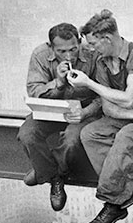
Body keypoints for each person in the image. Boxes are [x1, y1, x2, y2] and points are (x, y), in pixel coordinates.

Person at [68, 10, 133, 223]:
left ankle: (112, 203)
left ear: (108, 38)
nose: (92, 49)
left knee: (125, 136)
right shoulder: (104, 62)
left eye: (94, 43)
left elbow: (128, 98)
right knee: (91, 133)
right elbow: (108, 106)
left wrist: (89, 84)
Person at [19, 22, 101, 211]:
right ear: (51, 47)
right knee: (27, 135)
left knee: (72, 141)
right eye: (62, 51)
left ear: (79, 42)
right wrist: (58, 82)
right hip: (50, 109)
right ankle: (52, 176)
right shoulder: (40, 55)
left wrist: (85, 113)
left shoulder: (92, 53)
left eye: (73, 49)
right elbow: (34, 91)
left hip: (82, 110)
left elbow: (102, 94)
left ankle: (45, 171)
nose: (69, 56)